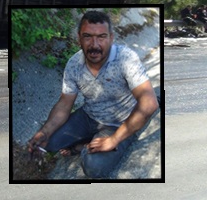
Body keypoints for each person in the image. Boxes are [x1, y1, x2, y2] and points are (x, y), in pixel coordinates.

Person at [27, 10, 159, 178]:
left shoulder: (125, 58)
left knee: (94, 167)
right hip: (88, 117)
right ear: (79, 38)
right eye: (88, 36)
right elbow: (64, 104)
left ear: (111, 38)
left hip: (119, 122)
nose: (94, 44)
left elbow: (148, 104)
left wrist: (114, 139)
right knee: (48, 143)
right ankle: (84, 143)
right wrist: (44, 131)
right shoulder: (74, 64)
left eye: (101, 37)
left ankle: (83, 147)